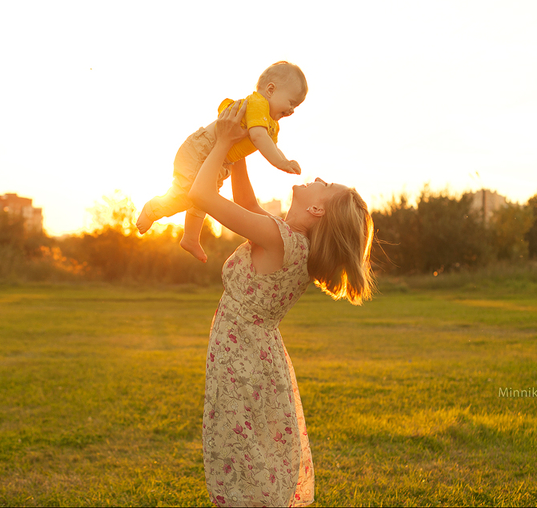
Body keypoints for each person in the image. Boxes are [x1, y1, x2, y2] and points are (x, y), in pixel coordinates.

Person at [190, 100, 375, 507]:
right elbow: (247, 205)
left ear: (317, 209)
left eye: (325, 185)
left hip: (241, 355)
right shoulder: (292, 243)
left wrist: (221, 142)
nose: (318, 178)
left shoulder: (280, 240)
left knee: (242, 452)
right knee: (253, 449)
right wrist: (239, 150)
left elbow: (200, 194)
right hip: (256, 354)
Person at [136, 61, 307, 263]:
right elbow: (259, 138)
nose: (292, 110)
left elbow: (271, 144)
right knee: (186, 195)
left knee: (205, 198)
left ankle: (190, 237)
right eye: (291, 102)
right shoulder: (258, 103)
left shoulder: (272, 125)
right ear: (270, 90)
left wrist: (283, 158)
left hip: (220, 159)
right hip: (202, 149)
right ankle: (152, 208)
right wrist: (282, 163)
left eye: (296, 106)